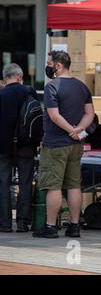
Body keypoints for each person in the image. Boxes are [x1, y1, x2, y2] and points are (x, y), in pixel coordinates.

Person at [33, 51, 95, 238]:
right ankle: (74, 226)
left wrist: (70, 130)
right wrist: (79, 131)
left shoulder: (52, 87)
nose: (48, 66)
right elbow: (90, 114)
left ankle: (51, 227)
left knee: (54, 186)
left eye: (49, 63)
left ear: (58, 66)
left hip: (55, 144)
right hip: (76, 146)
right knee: (74, 185)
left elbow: (54, 115)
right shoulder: (82, 87)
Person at [0, 64, 39, 233]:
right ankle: (23, 222)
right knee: (25, 182)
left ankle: (5, 223)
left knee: (3, 183)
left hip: (3, 146)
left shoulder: (2, 94)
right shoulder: (29, 92)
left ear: (5, 78)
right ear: (19, 77)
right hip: (27, 145)